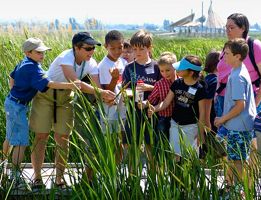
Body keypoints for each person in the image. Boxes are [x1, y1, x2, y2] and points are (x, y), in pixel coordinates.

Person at [29, 32, 115, 189]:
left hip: (66, 98)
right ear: (76, 47)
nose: (91, 52)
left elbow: (96, 87)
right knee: (42, 136)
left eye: (93, 48)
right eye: (88, 48)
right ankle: (37, 177)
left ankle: (58, 179)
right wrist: (102, 93)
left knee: (63, 138)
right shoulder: (65, 57)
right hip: (45, 96)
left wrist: (107, 95)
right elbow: (76, 83)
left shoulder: (92, 63)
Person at [3, 38, 79, 190]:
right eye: (38, 52)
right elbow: (49, 84)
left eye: (43, 52)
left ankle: (3, 163)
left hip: (13, 103)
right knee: (20, 141)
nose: (42, 55)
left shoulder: (24, 62)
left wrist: (14, 92)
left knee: (11, 136)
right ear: (28, 53)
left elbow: (12, 77)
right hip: (17, 106)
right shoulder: (33, 68)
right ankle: (16, 176)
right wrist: (71, 85)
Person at [215, 13, 261, 171]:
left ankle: (248, 183)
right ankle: (231, 182)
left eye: (232, 27)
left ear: (243, 28)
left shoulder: (254, 46)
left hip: (245, 103)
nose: (228, 30)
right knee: (228, 148)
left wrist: (255, 104)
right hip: (225, 101)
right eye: (226, 27)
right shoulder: (227, 49)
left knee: (250, 146)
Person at [214, 39, 256, 196]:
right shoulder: (237, 70)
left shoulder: (238, 76)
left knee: (238, 161)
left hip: (239, 126)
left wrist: (222, 119)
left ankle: (239, 192)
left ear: (238, 56)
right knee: (234, 158)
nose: (224, 56)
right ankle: (230, 188)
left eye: (227, 53)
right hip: (237, 125)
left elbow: (240, 105)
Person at [148, 55, 207, 161]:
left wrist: (200, 132)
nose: (177, 69)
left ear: (191, 72)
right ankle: (177, 176)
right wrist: (154, 108)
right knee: (175, 155)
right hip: (175, 124)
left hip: (192, 127)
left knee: (190, 157)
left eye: (181, 68)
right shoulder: (177, 83)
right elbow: (166, 102)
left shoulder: (200, 89)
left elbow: (203, 112)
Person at [122, 29, 161, 163]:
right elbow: (125, 89)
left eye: (141, 49)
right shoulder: (129, 68)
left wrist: (149, 87)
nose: (137, 52)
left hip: (152, 112)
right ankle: (133, 179)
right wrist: (128, 94)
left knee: (151, 147)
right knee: (132, 146)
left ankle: (153, 178)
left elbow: (165, 90)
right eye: (134, 49)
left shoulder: (157, 67)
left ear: (150, 48)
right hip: (133, 112)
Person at [147, 52, 177, 144]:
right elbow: (151, 99)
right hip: (164, 118)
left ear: (175, 67)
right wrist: (148, 106)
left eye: (167, 70)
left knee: (175, 142)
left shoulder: (181, 81)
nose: (164, 73)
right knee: (162, 141)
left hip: (178, 118)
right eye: (162, 71)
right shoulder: (159, 84)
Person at [203, 50, 220, 133]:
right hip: (212, 118)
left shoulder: (207, 78)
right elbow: (208, 102)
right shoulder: (215, 81)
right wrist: (207, 122)